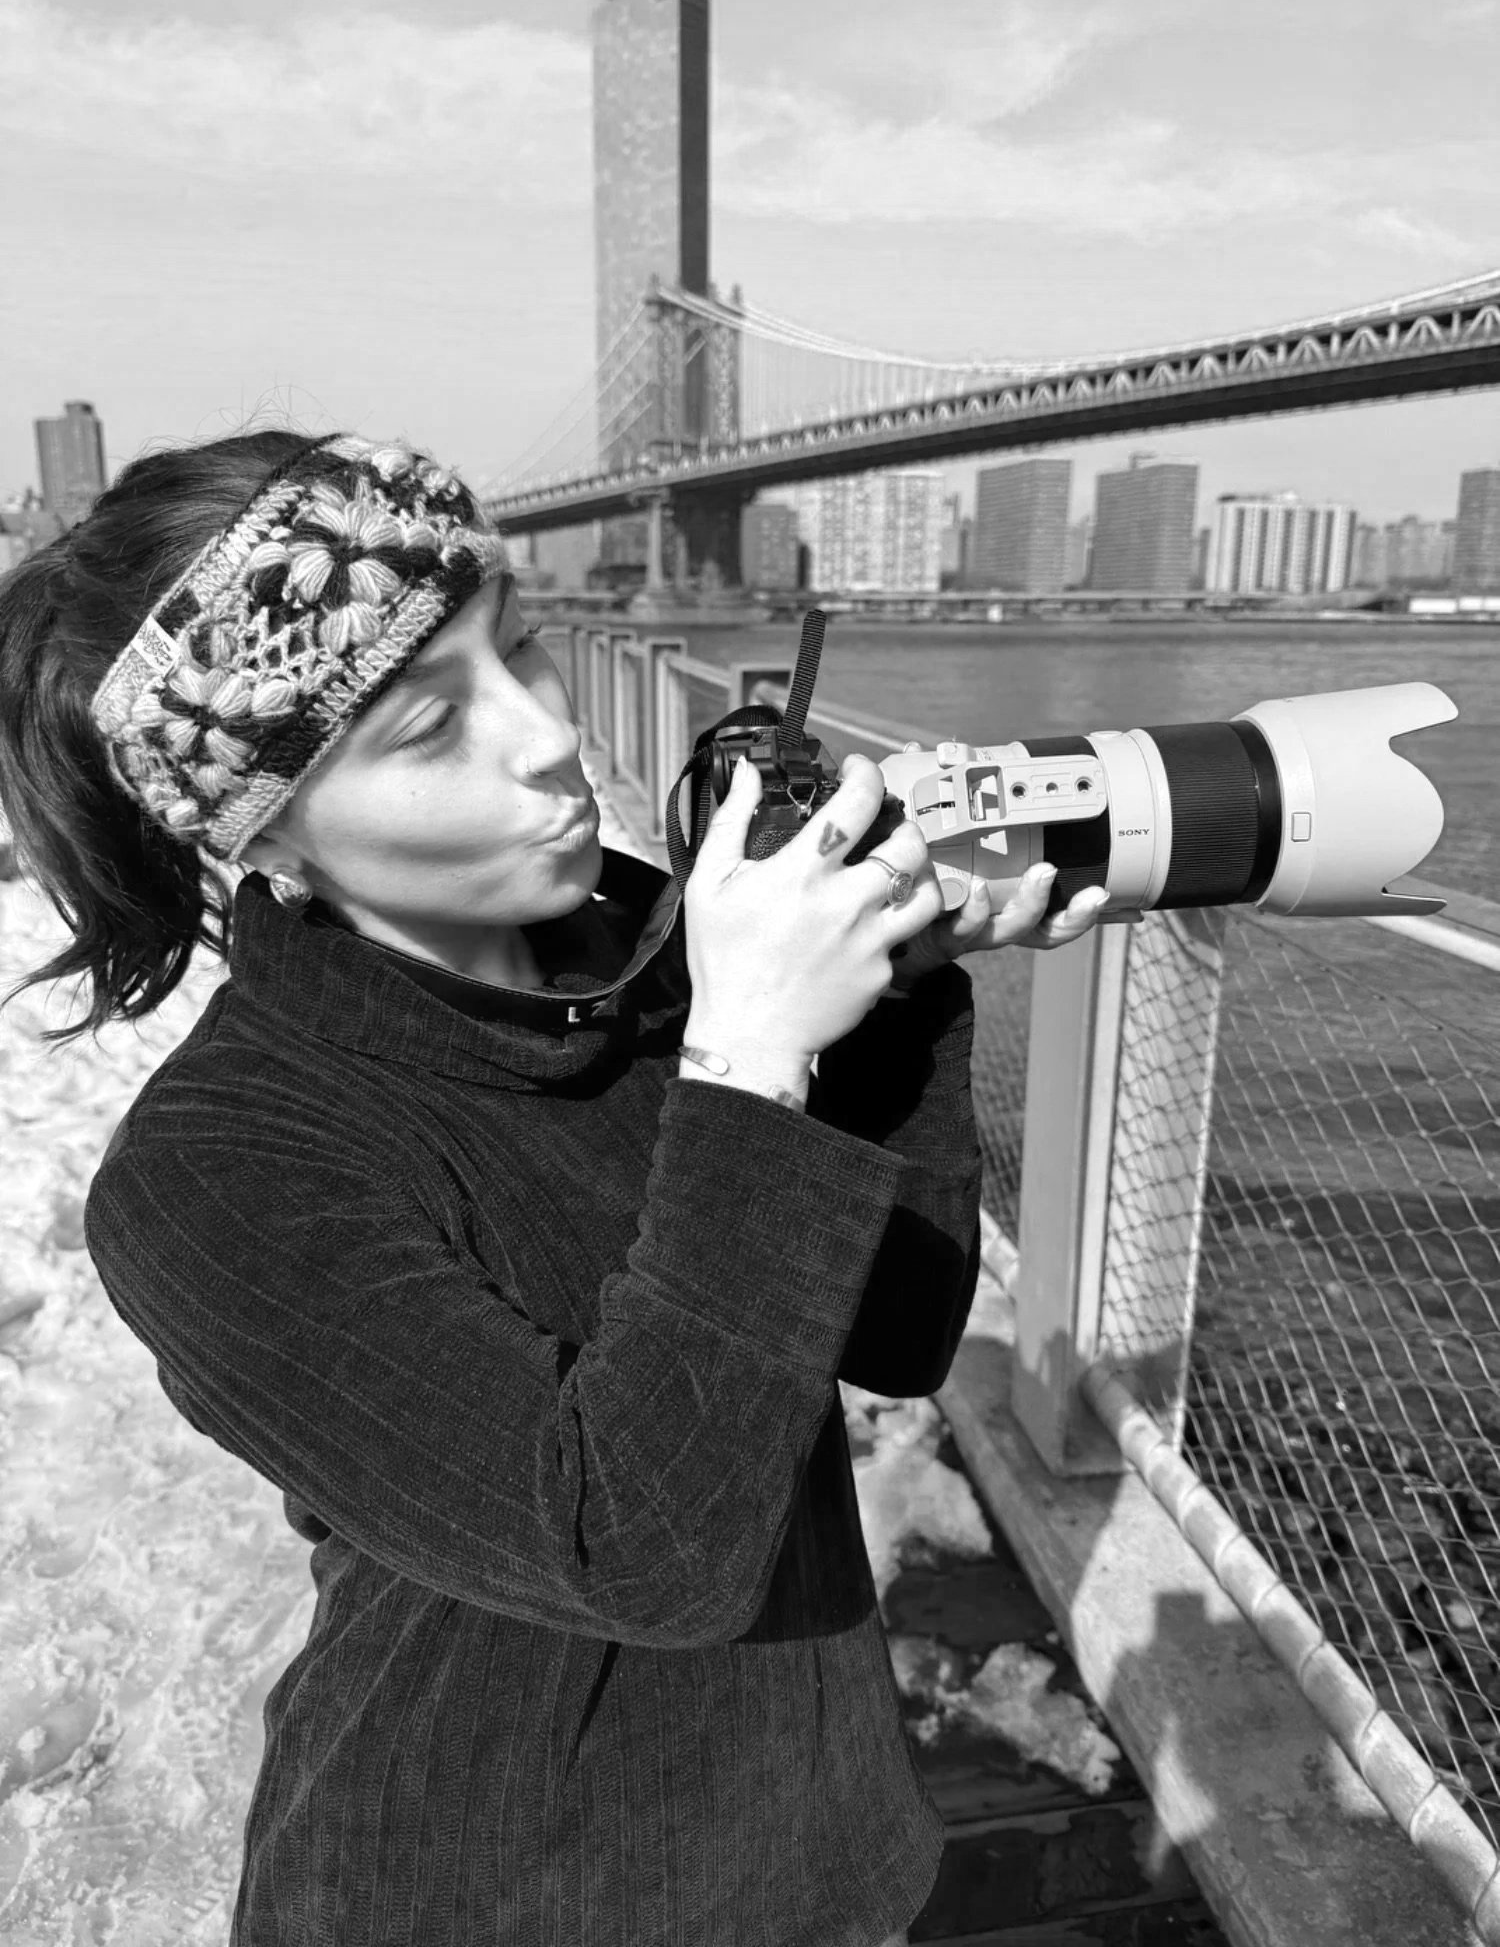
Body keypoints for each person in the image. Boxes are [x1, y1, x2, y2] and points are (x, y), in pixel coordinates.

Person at [0, 429, 1106, 1947]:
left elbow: (898, 1334)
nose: (542, 738)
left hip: (816, 1833)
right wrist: (746, 1059)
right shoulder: (215, 1176)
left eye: (521, 650)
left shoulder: (642, 949)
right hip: (495, 1879)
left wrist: (891, 991)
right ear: (270, 836)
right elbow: (638, 1546)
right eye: (425, 727)